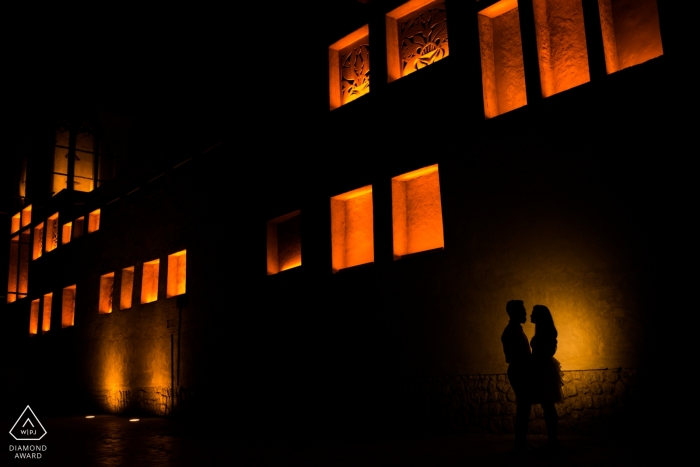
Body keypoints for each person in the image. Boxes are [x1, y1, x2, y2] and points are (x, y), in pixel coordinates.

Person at [529, 305, 564, 450]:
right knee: (547, 405)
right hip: (542, 369)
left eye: (533, 313)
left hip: (543, 370)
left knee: (548, 405)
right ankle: (552, 438)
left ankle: (553, 439)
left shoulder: (545, 333)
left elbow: (546, 351)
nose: (530, 316)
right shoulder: (544, 331)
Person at [501, 300, 532, 452]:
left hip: (520, 369)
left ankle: (521, 440)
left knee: (524, 405)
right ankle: (520, 441)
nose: (525, 314)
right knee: (524, 405)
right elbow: (513, 356)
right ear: (515, 313)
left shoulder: (515, 330)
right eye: (522, 311)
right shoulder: (511, 332)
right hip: (519, 370)